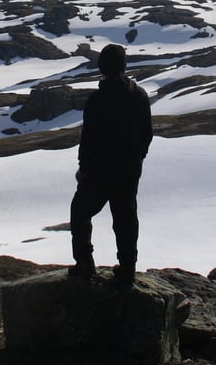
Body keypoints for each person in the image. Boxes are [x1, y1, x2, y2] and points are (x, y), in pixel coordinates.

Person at [68, 43, 153, 289]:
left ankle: (84, 262)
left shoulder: (97, 100)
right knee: (125, 218)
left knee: (80, 212)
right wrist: (137, 158)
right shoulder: (139, 95)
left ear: (101, 68)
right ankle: (128, 268)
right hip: (128, 169)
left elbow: (89, 140)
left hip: (99, 170)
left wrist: (84, 168)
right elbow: (147, 134)